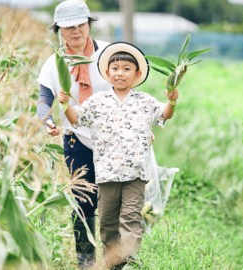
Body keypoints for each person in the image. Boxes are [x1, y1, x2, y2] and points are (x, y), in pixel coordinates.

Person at [59, 42, 179, 269]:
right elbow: (77, 119)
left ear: (137, 74)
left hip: (136, 173)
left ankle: (128, 261)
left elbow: (164, 114)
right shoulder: (96, 102)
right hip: (106, 173)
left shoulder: (144, 101)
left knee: (131, 219)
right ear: (107, 73)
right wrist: (65, 104)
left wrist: (172, 100)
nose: (120, 73)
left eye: (126, 69)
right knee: (108, 222)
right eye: (115, 68)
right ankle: (112, 262)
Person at [36, 0, 112, 268]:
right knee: (83, 198)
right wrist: (45, 121)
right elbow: (44, 99)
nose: (75, 31)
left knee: (116, 198)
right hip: (75, 137)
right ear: (58, 30)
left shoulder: (109, 53)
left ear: (89, 24)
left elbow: (131, 90)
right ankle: (86, 260)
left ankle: (119, 257)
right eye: (67, 27)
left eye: (80, 24)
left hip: (114, 139)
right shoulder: (54, 63)